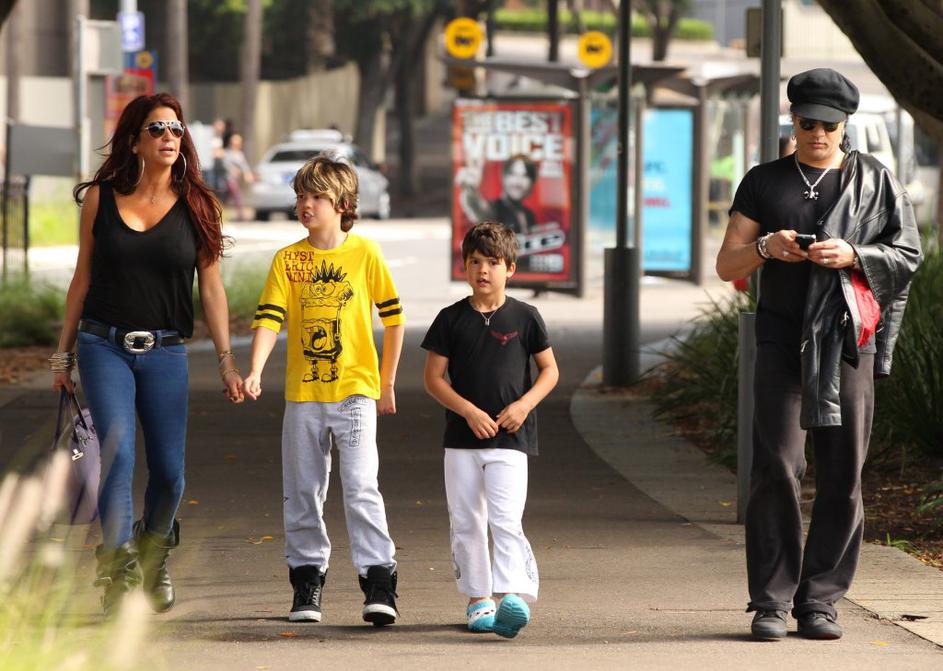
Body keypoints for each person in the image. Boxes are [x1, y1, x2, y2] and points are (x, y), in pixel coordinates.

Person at [716, 68, 923, 641]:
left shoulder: (876, 181)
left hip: (848, 341)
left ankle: (821, 601)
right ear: (793, 120)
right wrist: (766, 246)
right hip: (782, 340)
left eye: (829, 125)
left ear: (844, 125)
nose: (817, 134)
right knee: (777, 465)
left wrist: (855, 254)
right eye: (807, 123)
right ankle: (771, 601)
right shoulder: (764, 181)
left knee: (843, 473)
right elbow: (727, 264)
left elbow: (907, 256)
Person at [50, 92, 245, 617]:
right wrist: (63, 356)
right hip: (103, 345)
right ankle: (118, 570)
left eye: (176, 129)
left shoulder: (199, 205)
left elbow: (211, 288)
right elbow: (82, 278)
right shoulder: (101, 198)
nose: (168, 137)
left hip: (166, 351)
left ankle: (153, 550)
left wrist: (227, 361)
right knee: (117, 458)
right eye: (157, 128)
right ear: (135, 141)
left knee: (170, 473)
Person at [241, 154, 404, 626]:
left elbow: (394, 320)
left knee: (361, 487)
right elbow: (269, 320)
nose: (305, 205)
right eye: (300, 197)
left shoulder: (365, 254)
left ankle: (379, 581)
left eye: (316, 196)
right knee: (302, 490)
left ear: (342, 204)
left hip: (355, 393)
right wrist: (255, 371)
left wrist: (386, 383)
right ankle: (307, 579)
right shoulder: (288, 260)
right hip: (303, 396)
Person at [421, 221, 559, 638]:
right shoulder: (450, 319)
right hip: (461, 441)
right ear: (464, 267)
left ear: (510, 268)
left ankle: (513, 595)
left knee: (505, 518)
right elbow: (433, 379)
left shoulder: (526, 317)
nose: (483, 270)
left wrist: (524, 405)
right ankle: (478, 598)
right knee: (466, 519)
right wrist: (467, 412)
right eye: (475, 262)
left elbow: (549, 371)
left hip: (511, 439)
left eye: (493, 263)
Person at [456, 154, 538, 236]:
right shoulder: (495, 209)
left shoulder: (529, 215)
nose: (517, 182)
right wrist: (471, 189)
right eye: (512, 174)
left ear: (532, 182)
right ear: (503, 177)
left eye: (525, 175)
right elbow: (480, 209)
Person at [223, 132, 255, 220]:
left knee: (226, 198)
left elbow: (244, 166)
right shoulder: (227, 153)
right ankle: (241, 215)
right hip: (227, 179)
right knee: (237, 195)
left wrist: (248, 174)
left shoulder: (240, 154)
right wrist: (232, 169)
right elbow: (225, 164)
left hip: (235, 179)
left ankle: (220, 211)